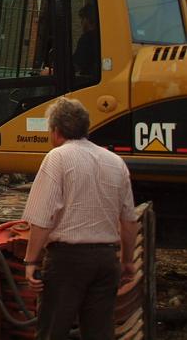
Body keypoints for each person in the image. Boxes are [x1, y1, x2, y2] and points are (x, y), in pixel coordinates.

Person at [22, 97, 137, 340]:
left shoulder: (58, 158)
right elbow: (129, 221)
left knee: (52, 330)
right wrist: (127, 261)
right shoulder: (115, 162)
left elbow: (43, 218)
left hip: (67, 261)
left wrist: (30, 262)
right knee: (99, 333)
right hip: (106, 260)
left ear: (56, 130)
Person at [73, 4, 100, 77]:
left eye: (82, 19)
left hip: (88, 81)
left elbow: (76, 65)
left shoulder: (86, 39)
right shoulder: (101, 36)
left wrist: (54, 71)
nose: (81, 22)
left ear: (87, 19)